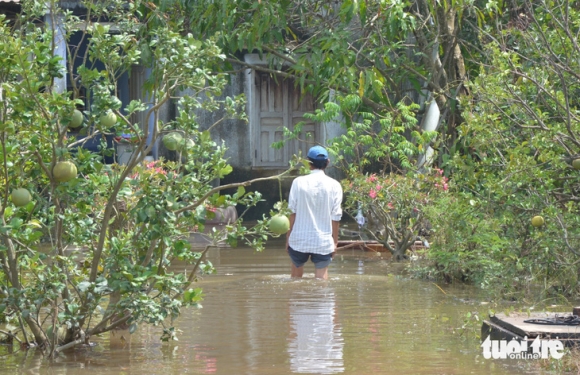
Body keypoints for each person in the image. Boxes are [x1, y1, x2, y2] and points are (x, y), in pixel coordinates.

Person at [286, 145, 343, 280]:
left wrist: (288, 237)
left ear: (308, 163)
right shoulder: (335, 185)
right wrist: (334, 242)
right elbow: (336, 217)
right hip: (323, 241)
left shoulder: (298, 182)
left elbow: (292, 212)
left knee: (295, 280)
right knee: (321, 281)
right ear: (327, 162)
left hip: (299, 239)